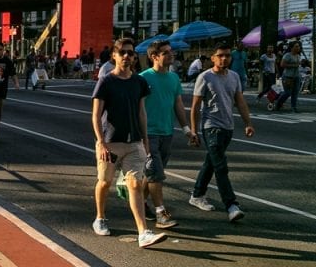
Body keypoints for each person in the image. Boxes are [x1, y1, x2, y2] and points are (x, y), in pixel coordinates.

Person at [89, 37, 166, 249]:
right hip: (111, 143)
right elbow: (96, 115)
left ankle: (143, 232)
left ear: (134, 57)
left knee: (135, 184)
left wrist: (145, 139)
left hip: (134, 143)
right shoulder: (106, 81)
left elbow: (142, 112)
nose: (126, 56)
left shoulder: (139, 82)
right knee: (104, 182)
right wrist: (101, 143)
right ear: (114, 55)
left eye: (130, 53)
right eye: (122, 52)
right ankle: (100, 217)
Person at [189, 44, 255, 222]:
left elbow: (240, 102)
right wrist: (193, 131)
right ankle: (231, 205)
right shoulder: (205, 77)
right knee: (220, 166)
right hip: (211, 127)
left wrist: (248, 123)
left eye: (227, 56)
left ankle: (196, 195)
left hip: (228, 127)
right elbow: (195, 107)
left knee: (211, 163)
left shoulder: (234, 77)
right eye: (220, 56)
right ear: (213, 58)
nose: (224, 59)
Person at [139, 40, 197, 230]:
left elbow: (178, 104)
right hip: (148, 135)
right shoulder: (143, 78)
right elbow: (135, 108)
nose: (171, 55)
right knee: (156, 174)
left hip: (167, 133)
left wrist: (187, 129)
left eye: (170, 52)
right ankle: (160, 213)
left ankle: (139, 202)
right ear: (154, 57)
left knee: (152, 174)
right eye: (165, 53)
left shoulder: (173, 78)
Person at [273, 41, 303, 113]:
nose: (298, 48)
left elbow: (298, 65)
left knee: (295, 92)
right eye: (296, 46)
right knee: (287, 93)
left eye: (298, 46)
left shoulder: (298, 56)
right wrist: (293, 65)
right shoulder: (287, 55)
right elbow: (282, 65)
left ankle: (293, 107)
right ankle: (278, 104)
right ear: (292, 48)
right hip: (287, 76)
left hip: (296, 76)